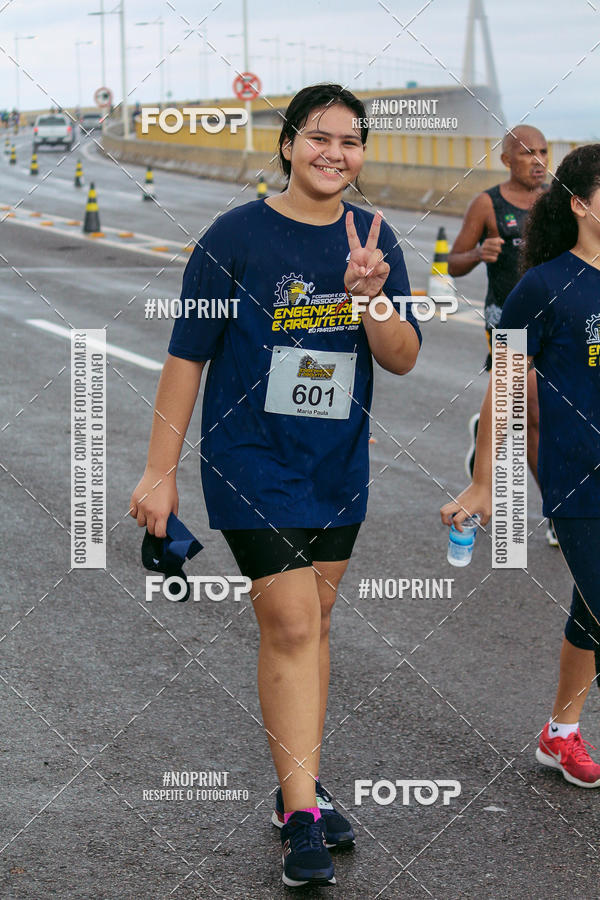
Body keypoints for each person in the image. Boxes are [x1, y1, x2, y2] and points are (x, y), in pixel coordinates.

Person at [130, 83, 422, 887]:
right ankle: (301, 816)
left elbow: (402, 357)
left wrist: (370, 299)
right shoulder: (236, 237)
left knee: (316, 622)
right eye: (319, 137)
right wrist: (160, 472)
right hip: (251, 458)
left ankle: (302, 780)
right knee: (292, 624)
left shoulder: (375, 237)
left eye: (351, 141)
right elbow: (186, 356)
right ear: (288, 143)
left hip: (337, 464)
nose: (336, 153)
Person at [441, 143, 600, 789]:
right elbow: (505, 380)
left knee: (592, 607)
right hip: (579, 473)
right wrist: (484, 481)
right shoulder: (545, 285)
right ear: (582, 204)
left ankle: (560, 733)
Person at [447, 127, 555, 542]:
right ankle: (557, 512)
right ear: (507, 159)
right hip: (508, 325)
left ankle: (485, 431)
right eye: (528, 153)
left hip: (557, 322)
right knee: (534, 416)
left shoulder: (559, 202)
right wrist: (478, 253)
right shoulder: (487, 204)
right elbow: (453, 263)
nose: (538, 160)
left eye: (544, 152)